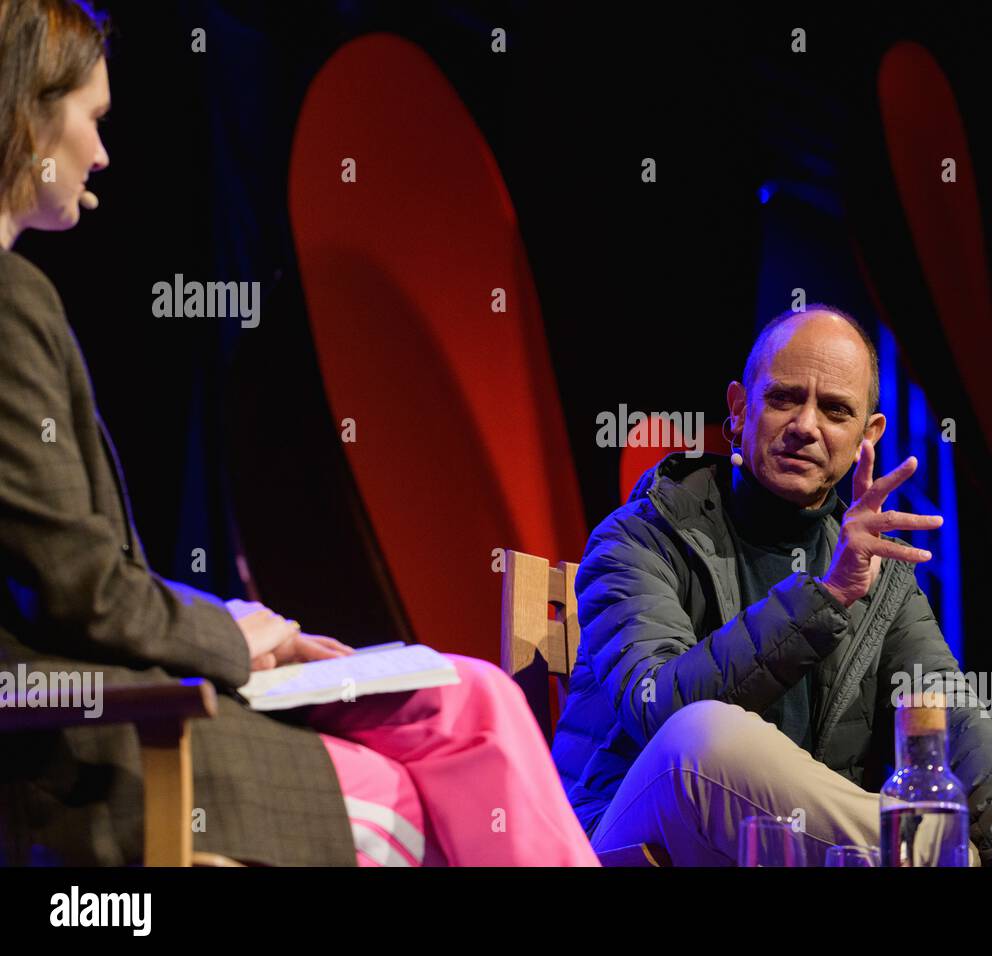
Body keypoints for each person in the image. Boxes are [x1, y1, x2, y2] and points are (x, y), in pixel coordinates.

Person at [0, 0, 597, 867]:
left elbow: (75, 579)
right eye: (91, 119)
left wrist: (232, 624)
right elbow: (78, 591)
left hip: (123, 702)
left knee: (472, 696)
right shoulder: (12, 301)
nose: (101, 153)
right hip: (93, 749)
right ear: (27, 111)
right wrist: (229, 640)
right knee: (440, 785)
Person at [552, 304, 992, 867]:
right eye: (783, 397)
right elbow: (660, 708)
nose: (805, 425)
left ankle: (940, 855)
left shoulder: (880, 575)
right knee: (701, 735)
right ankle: (939, 858)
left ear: (865, 436)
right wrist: (824, 598)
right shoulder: (642, 535)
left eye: (834, 409)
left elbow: (949, 715)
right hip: (620, 835)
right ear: (738, 409)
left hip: (783, 854)